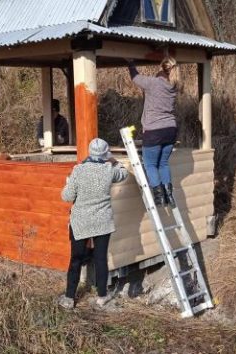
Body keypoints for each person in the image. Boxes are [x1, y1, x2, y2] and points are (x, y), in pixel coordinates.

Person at [57, 138, 128, 309]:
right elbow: (124, 173)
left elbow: (66, 197)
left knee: (75, 260)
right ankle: (102, 297)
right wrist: (113, 160)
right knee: (100, 259)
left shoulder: (79, 170)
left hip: (81, 222)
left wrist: (69, 183)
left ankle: (69, 298)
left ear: (89, 152)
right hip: (103, 222)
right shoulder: (109, 170)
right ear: (105, 154)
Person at [127, 57, 179, 206]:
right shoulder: (173, 86)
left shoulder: (154, 83)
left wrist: (130, 62)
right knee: (163, 163)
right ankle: (169, 195)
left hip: (154, 130)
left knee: (150, 164)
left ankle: (159, 197)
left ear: (162, 69)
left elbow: (135, 77)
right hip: (170, 129)